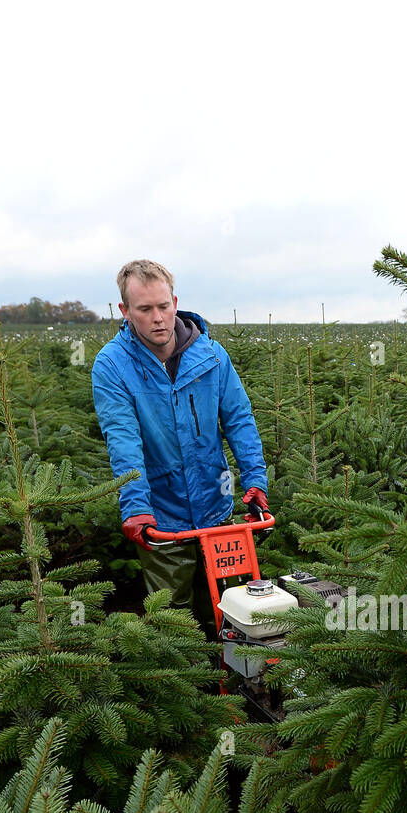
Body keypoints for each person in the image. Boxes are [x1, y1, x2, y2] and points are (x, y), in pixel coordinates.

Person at [91, 258, 269, 637]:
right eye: (144, 309)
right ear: (125, 311)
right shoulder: (112, 366)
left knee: (231, 605)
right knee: (174, 617)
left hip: (216, 505)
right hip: (161, 516)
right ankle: (189, 689)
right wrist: (136, 506)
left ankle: (235, 684)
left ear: (175, 301)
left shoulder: (212, 356)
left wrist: (255, 480)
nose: (158, 318)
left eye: (163, 306)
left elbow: (238, 419)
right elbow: (122, 439)